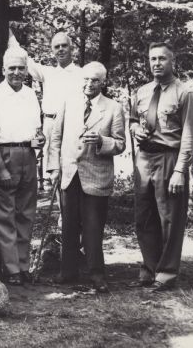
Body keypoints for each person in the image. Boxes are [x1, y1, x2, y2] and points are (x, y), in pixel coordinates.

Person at [48, 61, 126, 293]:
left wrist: (103, 142)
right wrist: (53, 168)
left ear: (103, 82)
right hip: (69, 173)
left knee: (93, 226)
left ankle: (96, 273)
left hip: (96, 175)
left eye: (95, 80)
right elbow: (55, 138)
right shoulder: (69, 103)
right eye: (86, 79)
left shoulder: (113, 108)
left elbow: (120, 143)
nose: (89, 84)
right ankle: (68, 271)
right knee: (69, 225)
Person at [129, 42, 193, 292]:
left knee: (169, 218)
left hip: (170, 159)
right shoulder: (142, 91)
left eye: (162, 59)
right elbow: (132, 121)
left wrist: (180, 170)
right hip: (144, 159)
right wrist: (135, 129)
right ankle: (149, 267)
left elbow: (190, 135)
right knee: (144, 217)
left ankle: (167, 273)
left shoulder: (184, 93)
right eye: (152, 59)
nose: (156, 63)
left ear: (173, 61)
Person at [0, 47, 44, 285]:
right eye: (12, 68)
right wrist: (1, 168)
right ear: (4, 70)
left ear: (27, 70)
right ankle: (11, 269)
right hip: (4, 155)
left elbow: (35, 130)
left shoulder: (30, 94)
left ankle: (23, 265)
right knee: (5, 215)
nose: (17, 72)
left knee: (26, 214)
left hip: (27, 154)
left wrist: (39, 140)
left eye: (21, 68)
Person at [12, 31, 83, 185]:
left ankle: (68, 206)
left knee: (71, 170)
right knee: (51, 170)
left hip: (72, 126)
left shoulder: (82, 74)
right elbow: (25, 60)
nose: (61, 49)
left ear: (72, 48)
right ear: (52, 50)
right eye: (57, 47)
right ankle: (45, 187)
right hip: (50, 125)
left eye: (64, 45)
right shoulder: (48, 73)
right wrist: (10, 36)